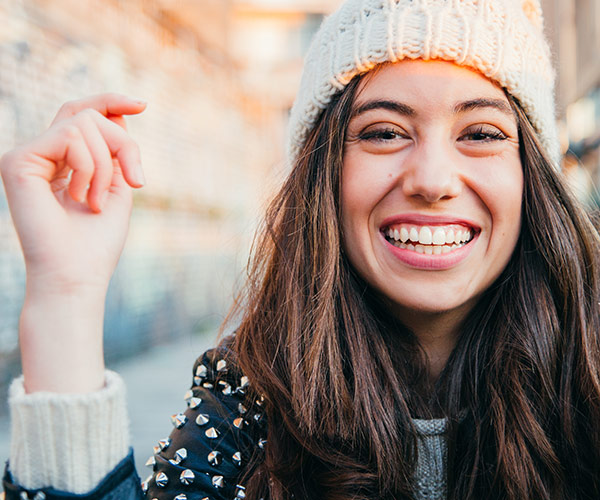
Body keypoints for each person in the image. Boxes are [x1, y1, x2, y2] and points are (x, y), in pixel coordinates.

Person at [2, 0, 600, 498]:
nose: (433, 178)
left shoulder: (589, 380)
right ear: (324, 179)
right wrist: (66, 295)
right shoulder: (247, 398)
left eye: (481, 134)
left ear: (532, 177)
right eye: (384, 132)